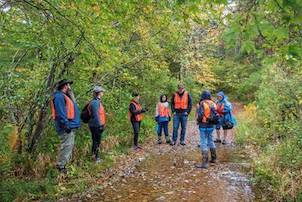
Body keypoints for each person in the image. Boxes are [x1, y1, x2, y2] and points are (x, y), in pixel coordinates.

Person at [50, 79, 80, 174]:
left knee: (68, 146)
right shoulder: (59, 96)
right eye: (68, 85)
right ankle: (60, 167)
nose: (70, 87)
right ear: (65, 86)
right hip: (65, 127)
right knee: (66, 146)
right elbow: (61, 113)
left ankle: (64, 167)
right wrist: (66, 125)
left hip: (69, 126)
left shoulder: (64, 96)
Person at [195, 90, 217, 169]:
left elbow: (200, 115)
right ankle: (214, 158)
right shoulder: (213, 103)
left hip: (203, 125)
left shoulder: (202, 103)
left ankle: (205, 162)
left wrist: (198, 121)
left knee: (203, 141)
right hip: (211, 125)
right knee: (210, 140)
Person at [88, 86, 106, 163]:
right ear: (99, 93)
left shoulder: (96, 101)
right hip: (96, 125)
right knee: (97, 141)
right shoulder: (95, 102)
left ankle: (94, 155)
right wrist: (100, 125)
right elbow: (95, 115)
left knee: (95, 140)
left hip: (95, 125)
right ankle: (96, 158)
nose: (103, 93)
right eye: (102, 91)